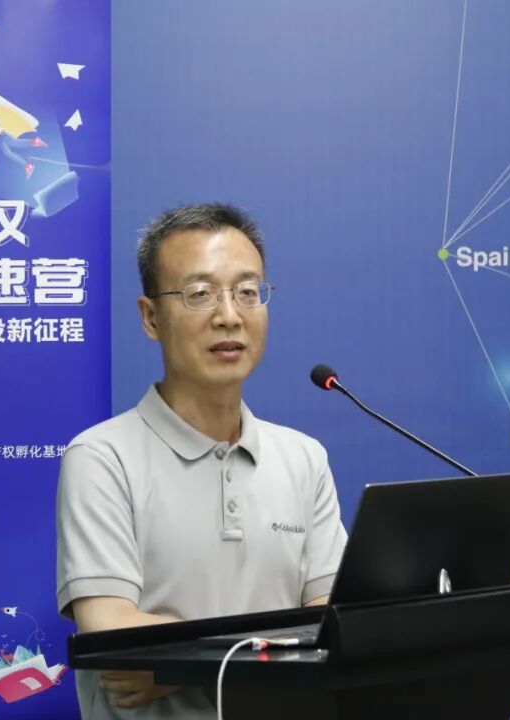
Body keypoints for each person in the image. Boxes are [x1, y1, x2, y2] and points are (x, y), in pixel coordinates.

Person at [56, 203, 348, 718]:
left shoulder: (304, 457)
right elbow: (109, 629)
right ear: (151, 317)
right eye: (199, 293)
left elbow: (334, 623)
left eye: (247, 291)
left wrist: (180, 666)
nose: (229, 315)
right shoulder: (102, 457)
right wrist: (280, 644)